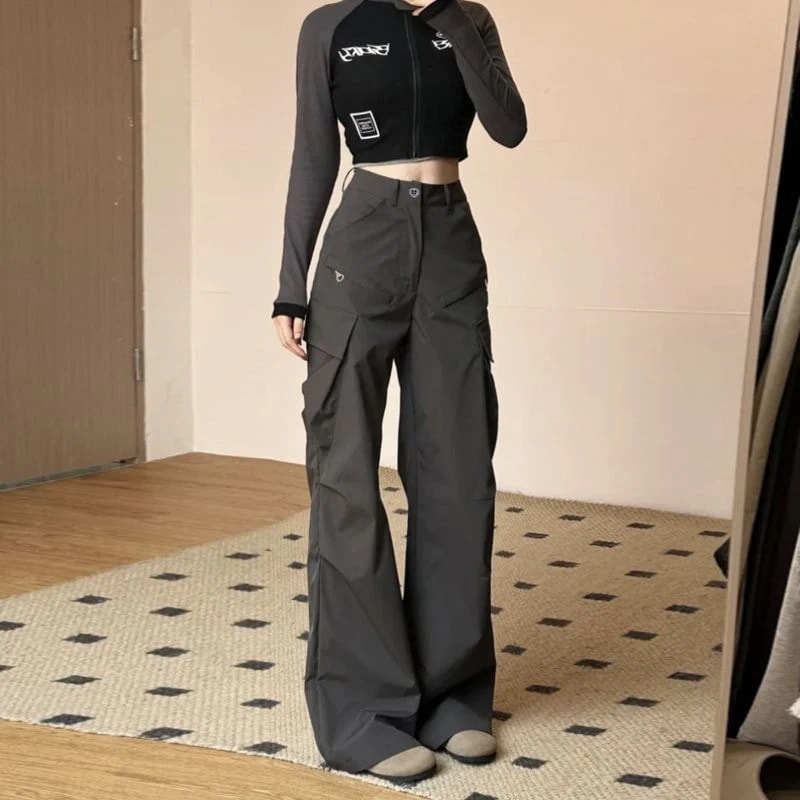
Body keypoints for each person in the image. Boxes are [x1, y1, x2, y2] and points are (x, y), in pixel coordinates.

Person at [271, 0, 526, 784]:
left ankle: (453, 698)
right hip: (362, 244)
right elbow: (313, 153)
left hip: (449, 241)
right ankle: (362, 712)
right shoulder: (331, 25)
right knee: (346, 478)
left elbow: (509, 125)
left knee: (458, 473)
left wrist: (449, 18)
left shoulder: (468, 17)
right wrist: (290, 286)